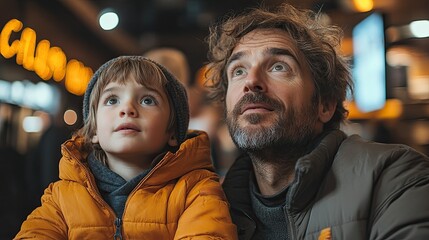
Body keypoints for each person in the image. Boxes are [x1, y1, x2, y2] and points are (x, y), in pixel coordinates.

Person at [205, 3, 429, 240]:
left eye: (278, 66)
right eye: (238, 71)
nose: (251, 81)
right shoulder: (211, 208)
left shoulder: (395, 178)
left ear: (325, 104)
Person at [15, 56, 237, 239]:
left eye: (147, 100)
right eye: (112, 100)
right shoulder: (62, 196)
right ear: (93, 132)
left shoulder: (196, 191)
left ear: (172, 132)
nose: (127, 109)